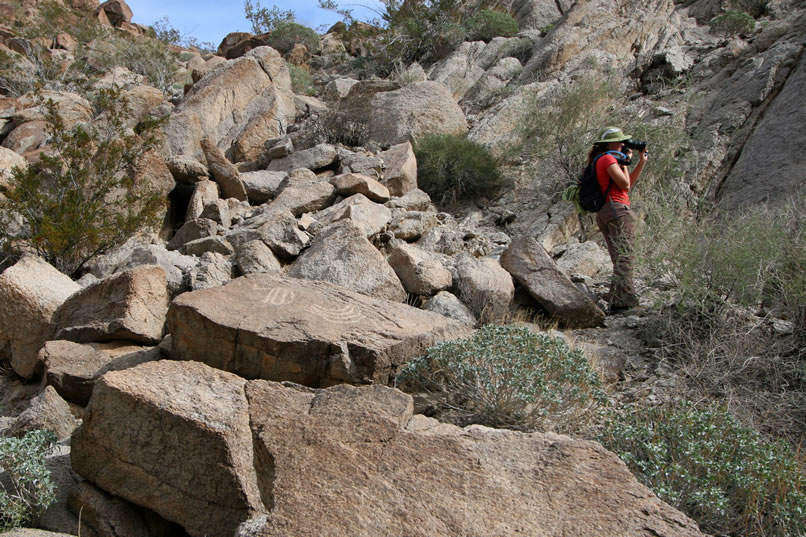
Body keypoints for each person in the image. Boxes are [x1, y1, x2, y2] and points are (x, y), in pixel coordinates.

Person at [588, 126, 648, 314]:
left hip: (608, 211)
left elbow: (626, 185)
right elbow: (625, 183)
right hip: (616, 210)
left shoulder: (605, 159)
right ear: (610, 144)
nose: (624, 144)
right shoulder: (607, 159)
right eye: (620, 141)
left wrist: (640, 163)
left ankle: (616, 302)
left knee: (619, 257)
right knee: (626, 255)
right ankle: (625, 302)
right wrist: (625, 161)